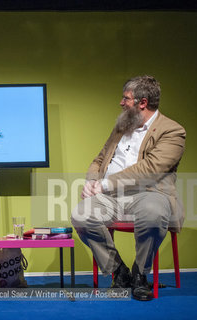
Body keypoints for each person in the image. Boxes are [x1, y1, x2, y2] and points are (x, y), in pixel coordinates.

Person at [71, 75, 186, 301]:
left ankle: (140, 274)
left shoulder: (173, 131)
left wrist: (103, 185)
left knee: (153, 213)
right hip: (112, 196)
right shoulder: (122, 127)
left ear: (142, 103)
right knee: (81, 214)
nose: (121, 103)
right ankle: (119, 272)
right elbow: (100, 158)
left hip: (150, 194)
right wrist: (91, 182)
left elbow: (150, 169)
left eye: (126, 98)